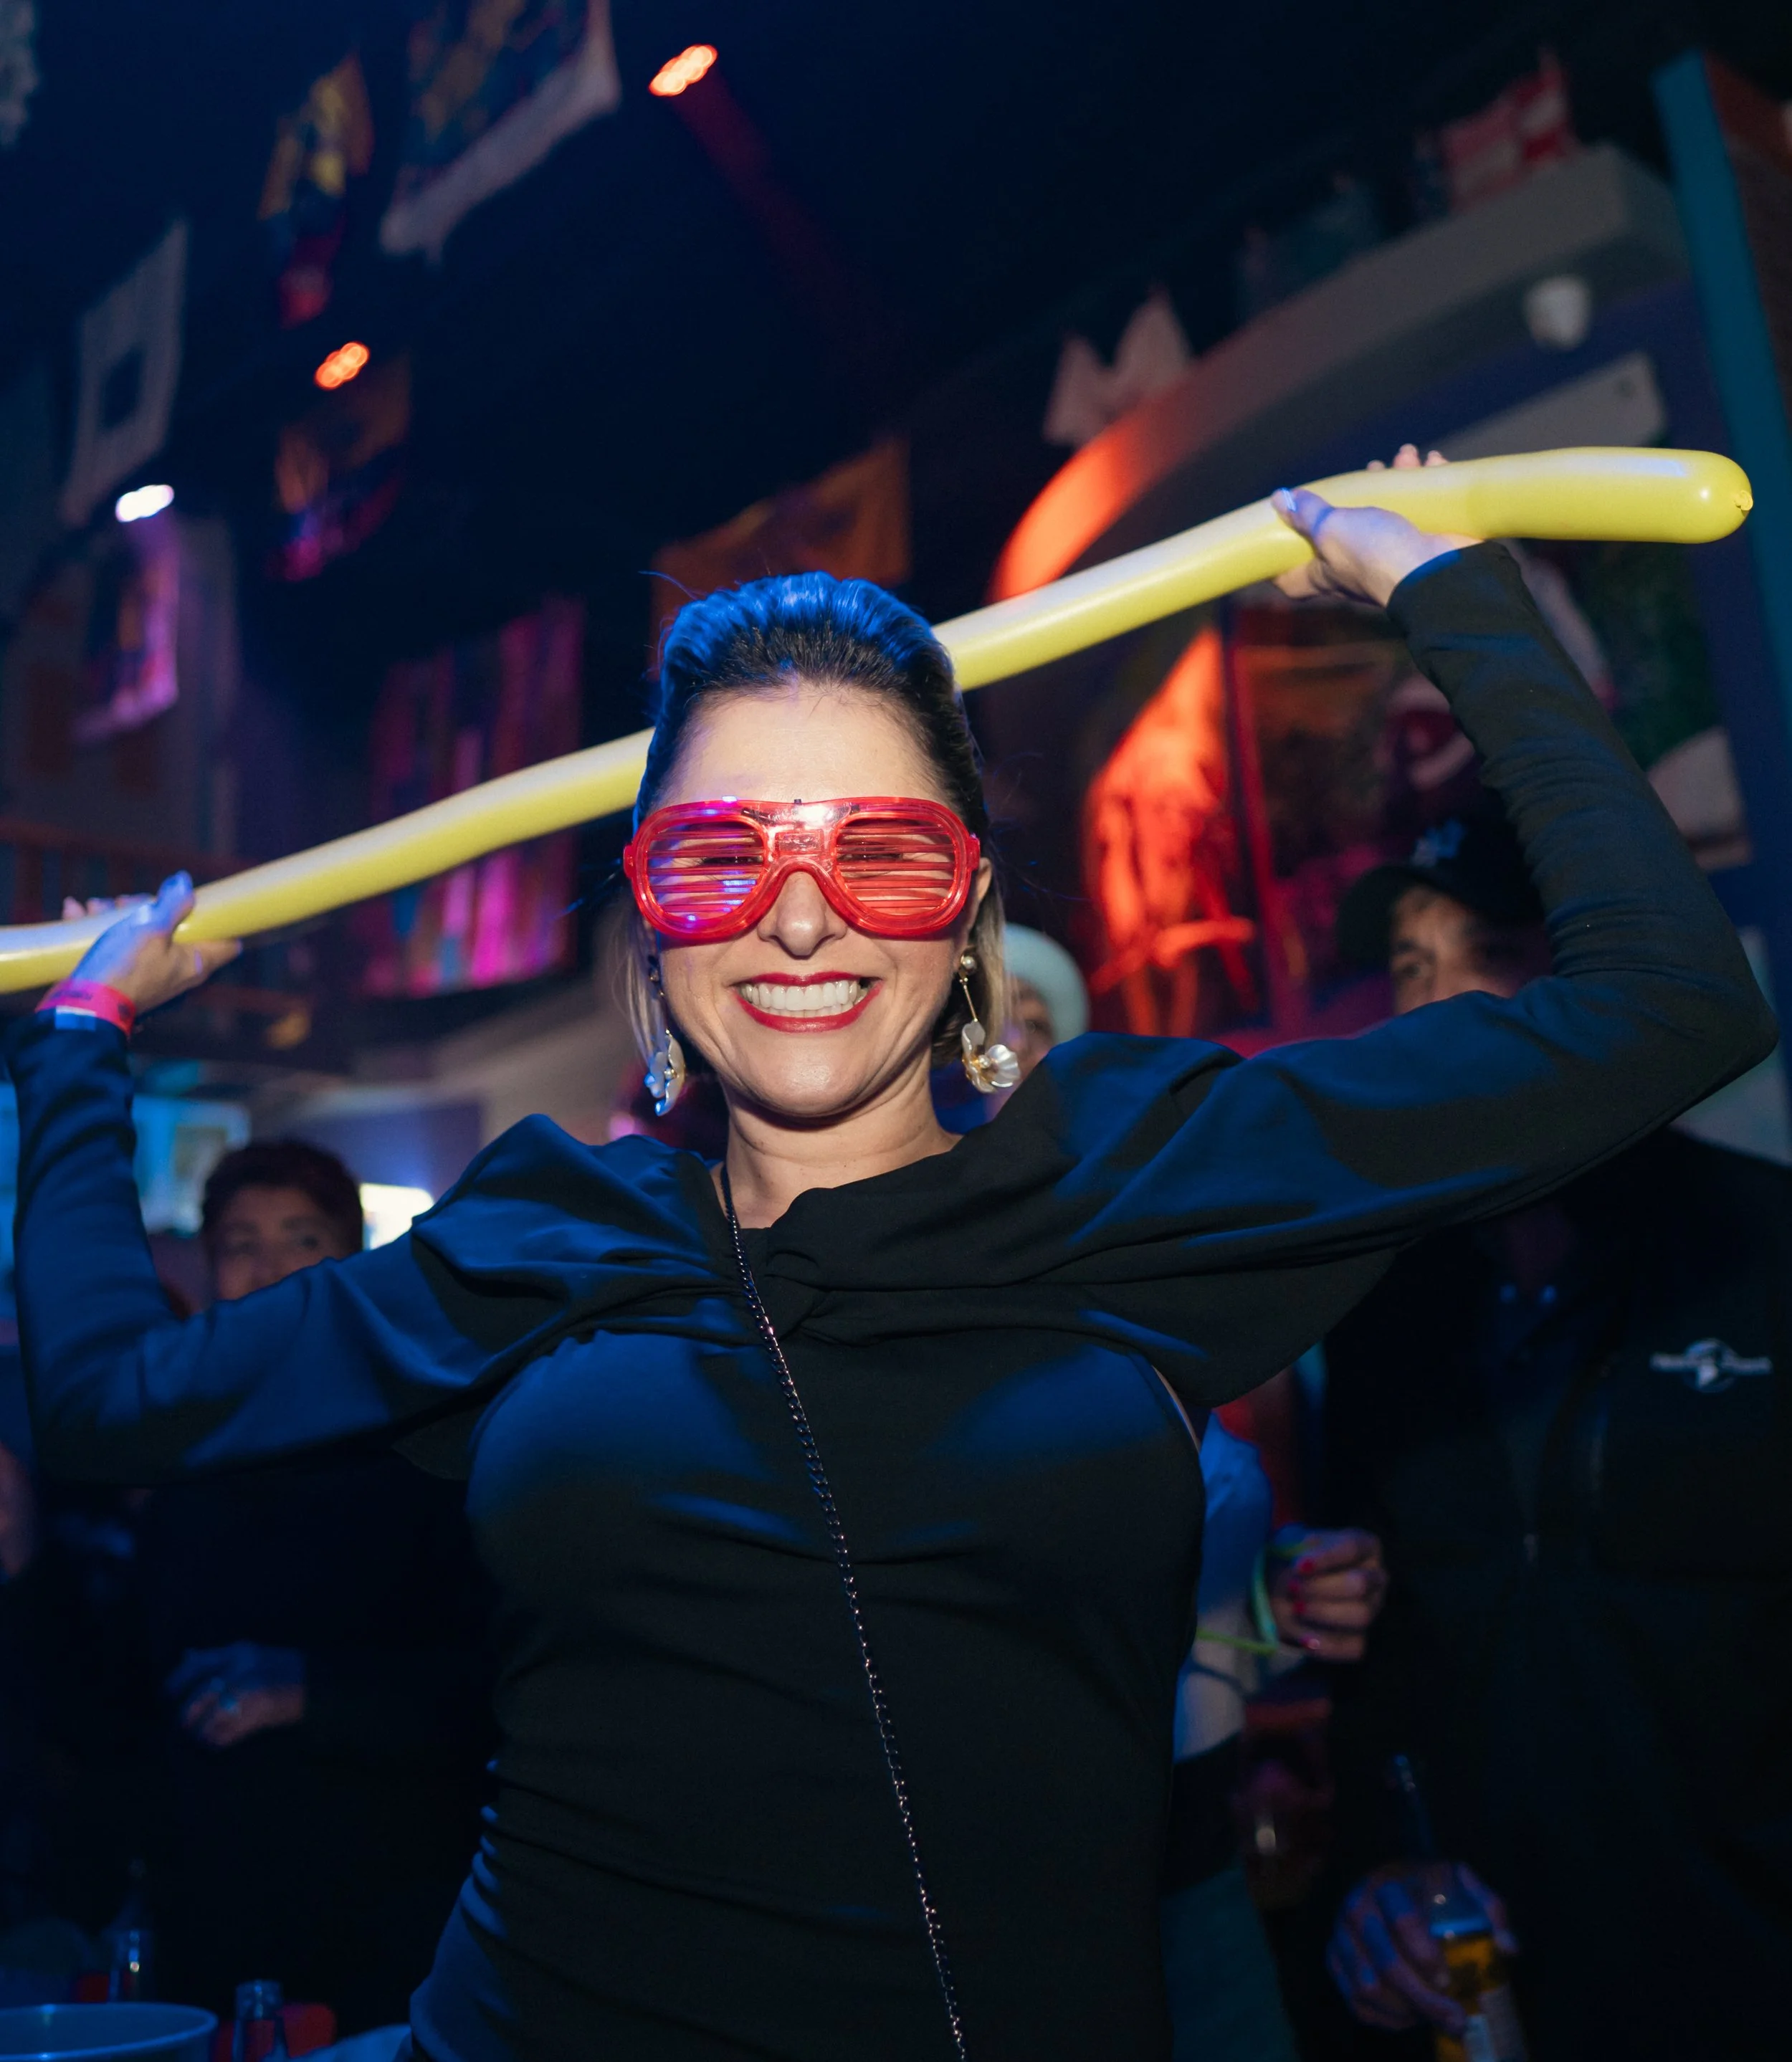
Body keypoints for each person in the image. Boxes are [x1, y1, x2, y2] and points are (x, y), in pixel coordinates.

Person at [9, 464, 1773, 2062]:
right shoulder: (546, 1229)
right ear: (651, 912)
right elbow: (103, 1396)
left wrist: (1444, 587)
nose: (798, 914)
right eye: (721, 856)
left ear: (967, 912)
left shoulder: (1134, 1169)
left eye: (880, 849)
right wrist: (86, 1033)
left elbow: (1664, 1009)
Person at [1320, 809, 1792, 2061]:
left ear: (1584, 973)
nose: (1437, 1002)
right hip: (1511, 2003)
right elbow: (1372, 1668)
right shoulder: (1379, 1309)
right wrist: (1369, 1881)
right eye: (1412, 967)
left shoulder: (1759, 1247)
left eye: (1485, 949)